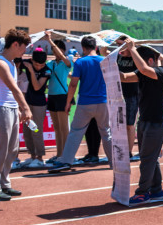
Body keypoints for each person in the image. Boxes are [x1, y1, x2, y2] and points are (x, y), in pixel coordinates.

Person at [47, 35, 114, 173]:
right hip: (102, 101)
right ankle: (114, 161)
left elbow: (73, 84)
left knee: (76, 132)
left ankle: (66, 161)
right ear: (95, 47)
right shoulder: (105, 61)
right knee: (106, 132)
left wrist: (68, 103)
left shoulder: (81, 62)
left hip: (85, 103)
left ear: (83, 48)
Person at [0, 29, 32, 200]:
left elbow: (10, 92)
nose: (25, 51)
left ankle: (4, 183)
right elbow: (13, 88)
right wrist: (26, 108)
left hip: (10, 109)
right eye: (24, 47)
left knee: (12, 150)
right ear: (15, 44)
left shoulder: (11, 63)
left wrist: (17, 109)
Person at [120, 41, 163, 204]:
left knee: (147, 158)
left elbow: (142, 69)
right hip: (144, 120)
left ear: (149, 61)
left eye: (138, 60)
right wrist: (108, 66)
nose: (136, 65)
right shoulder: (144, 72)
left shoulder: (161, 72)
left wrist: (132, 49)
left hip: (157, 122)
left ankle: (142, 192)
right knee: (151, 158)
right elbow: (125, 77)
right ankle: (156, 190)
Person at [43, 34, 73, 162]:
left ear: (63, 50)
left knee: (64, 128)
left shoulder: (67, 61)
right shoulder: (50, 63)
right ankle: (59, 153)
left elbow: (63, 58)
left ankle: (65, 155)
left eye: (57, 49)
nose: (55, 51)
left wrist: (50, 40)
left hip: (62, 96)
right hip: (52, 96)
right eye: (53, 49)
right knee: (57, 128)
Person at [20, 49, 51, 167]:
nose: (39, 67)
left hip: (39, 104)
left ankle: (39, 157)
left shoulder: (46, 70)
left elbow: (37, 86)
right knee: (26, 131)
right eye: (36, 64)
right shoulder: (27, 62)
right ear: (32, 60)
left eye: (41, 65)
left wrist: (31, 70)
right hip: (27, 103)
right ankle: (32, 155)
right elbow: (15, 62)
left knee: (36, 130)